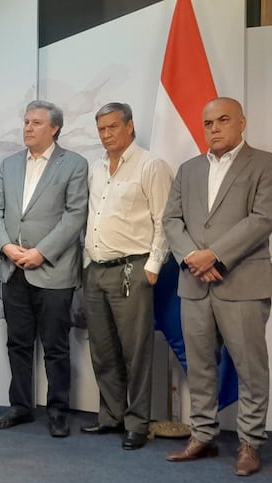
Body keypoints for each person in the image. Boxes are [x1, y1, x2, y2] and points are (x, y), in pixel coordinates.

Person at [163, 97, 272, 476]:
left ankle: (249, 443)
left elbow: (262, 219)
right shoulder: (189, 168)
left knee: (250, 368)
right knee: (200, 366)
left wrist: (215, 255)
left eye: (223, 120)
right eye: (208, 122)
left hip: (242, 282)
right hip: (193, 283)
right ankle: (203, 436)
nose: (214, 128)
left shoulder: (264, 163)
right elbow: (171, 219)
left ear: (241, 122)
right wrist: (194, 256)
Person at [0, 100, 88, 437]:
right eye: (26, 122)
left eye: (36, 123)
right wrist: (5, 246)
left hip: (53, 271)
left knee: (56, 347)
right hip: (14, 268)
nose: (28, 128)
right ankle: (20, 406)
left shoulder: (74, 164)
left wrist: (41, 253)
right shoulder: (9, 165)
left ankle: (58, 411)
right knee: (17, 343)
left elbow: (75, 215)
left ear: (54, 128)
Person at [80, 103, 173, 450]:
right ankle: (111, 416)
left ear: (130, 126)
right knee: (102, 351)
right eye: (101, 129)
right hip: (97, 270)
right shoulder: (95, 168)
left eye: (113, 127)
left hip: (133, 270)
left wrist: (153, 267)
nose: (106, 135)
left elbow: (164, 219)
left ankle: (137, 422)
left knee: (136, 352)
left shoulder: (151, 165)